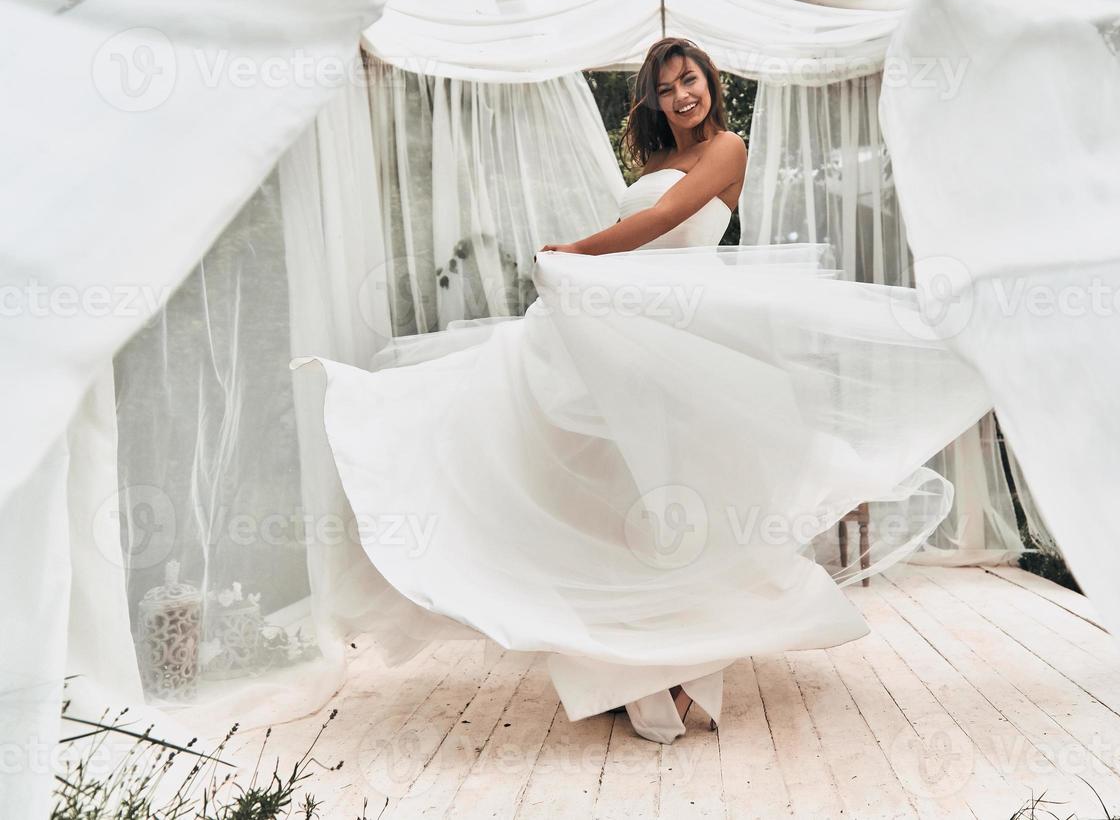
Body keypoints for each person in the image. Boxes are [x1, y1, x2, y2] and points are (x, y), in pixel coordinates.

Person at [290, 37, 990, 744]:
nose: (682, 95)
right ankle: (632, 660)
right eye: (666, 88)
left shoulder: (727, 149)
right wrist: (588, 265)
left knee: (678, 499)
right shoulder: (654, 160)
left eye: (690, 80)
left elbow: (662, 222)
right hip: (629, 324)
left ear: (710, 82)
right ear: (653, 101)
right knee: (609, 483)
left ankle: (679, 666)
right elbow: (638, 226)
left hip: (682, 333)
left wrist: (573, 251)